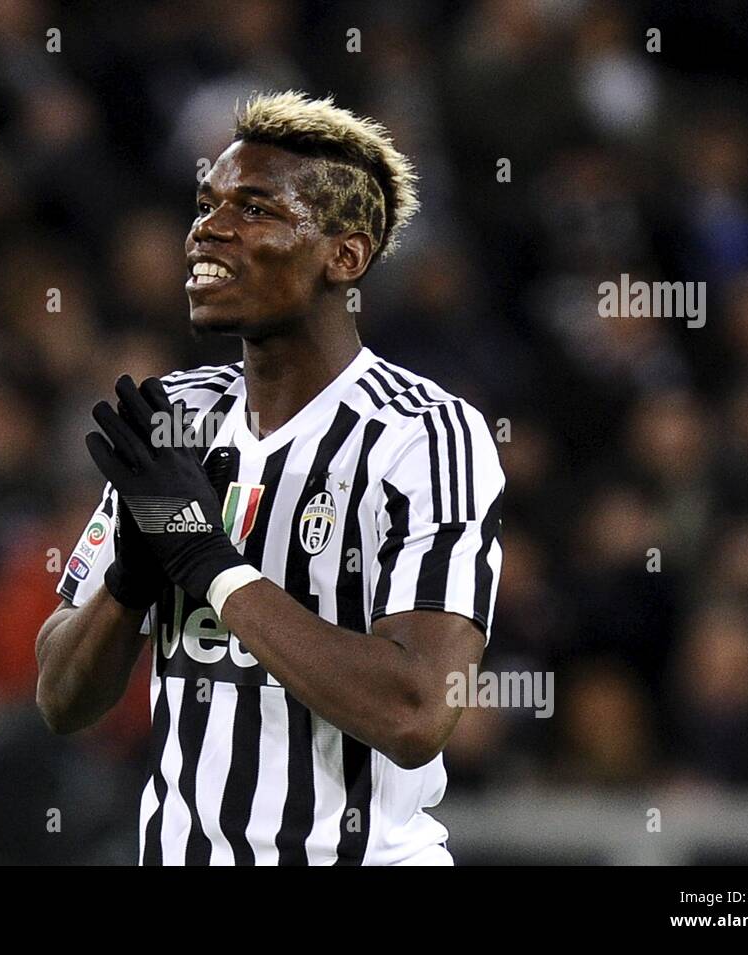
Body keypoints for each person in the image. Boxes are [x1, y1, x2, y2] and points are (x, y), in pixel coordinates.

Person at [35, 90, 505, 865]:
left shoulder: (423, 433)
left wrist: (210, 564)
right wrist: (131, 576)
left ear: (344, 256)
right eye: (206, 203)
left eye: (254, 209)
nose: (207, 229)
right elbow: (60, 696)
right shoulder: (175, 417)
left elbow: (417, 711)